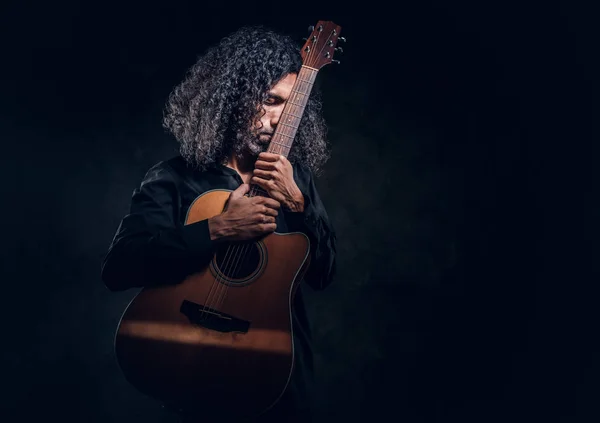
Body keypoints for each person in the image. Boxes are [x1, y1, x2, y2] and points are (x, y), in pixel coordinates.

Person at [100, 25, 337, 423]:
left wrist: (297, 203)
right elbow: (119, 268)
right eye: (269, 100)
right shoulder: (176, 178)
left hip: (274, 378)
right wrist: (218, 228)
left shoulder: (298, 183)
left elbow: (324, 276)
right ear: (233, 97)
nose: (279, 119)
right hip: (180, 366)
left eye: (290, 105)